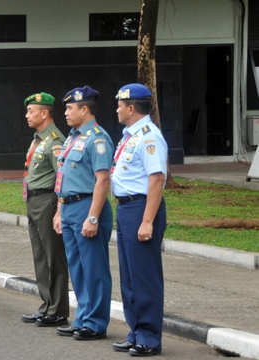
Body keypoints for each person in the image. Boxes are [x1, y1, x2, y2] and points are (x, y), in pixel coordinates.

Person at [53, 86, 114, 340]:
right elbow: (62, 176)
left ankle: (95, 323)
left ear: (84, 109)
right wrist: (59, 211)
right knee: (77, 268)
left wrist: (92, 217)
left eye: (70, 108)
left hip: (88, 206)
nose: (66, 113)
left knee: (93, 267)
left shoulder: (98, 139)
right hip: (68, 207)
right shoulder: (73, 137)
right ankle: (83, 317)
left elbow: (102, 181)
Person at [111, 83, 168, 357]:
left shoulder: (148, 136)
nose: (117, 109)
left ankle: (149, 338)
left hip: (141, 208)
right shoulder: (129, 135)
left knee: (144, 276)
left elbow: (156, 179)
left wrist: (147, 221)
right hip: (126, 208)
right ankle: (136, 332)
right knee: (130, 277)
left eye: (120, 105)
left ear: (131, 108)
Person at [20, 92, 69, 327]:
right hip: (34, 201)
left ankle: (58, 309)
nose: (27, 115)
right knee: (40, 256)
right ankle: (46, 305)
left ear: (45, 113)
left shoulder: (55, 141)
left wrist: (59, 210)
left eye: (31, 111)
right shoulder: (39, 138)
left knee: (53, 257)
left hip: (47, 201)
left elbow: (62, 178)